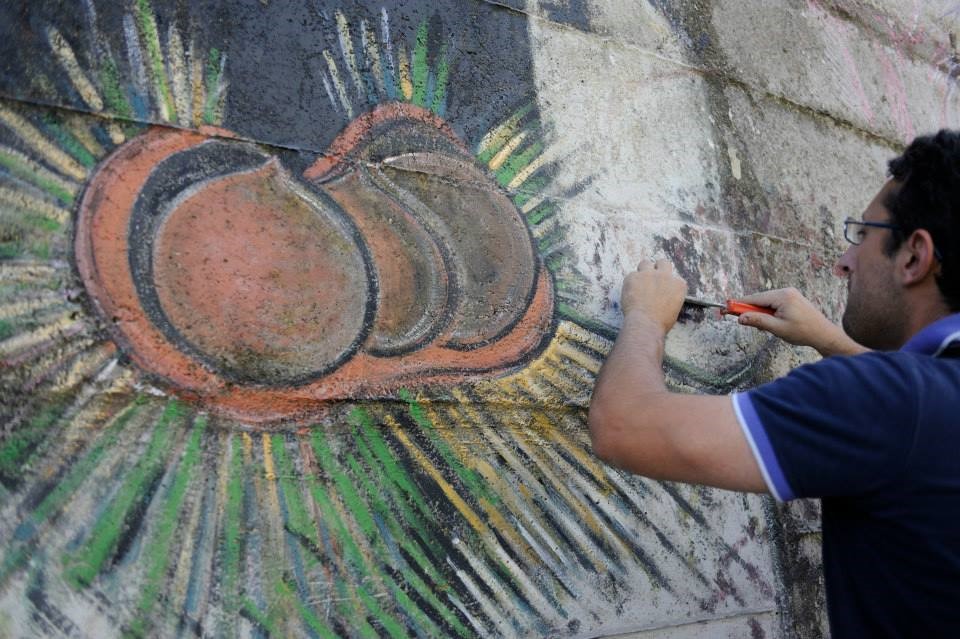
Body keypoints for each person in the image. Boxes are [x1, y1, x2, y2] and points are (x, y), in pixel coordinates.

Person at [588, 130, 960, 638]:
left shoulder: (885, 401)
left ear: (915, 256)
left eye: (862, 234)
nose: (844, 261)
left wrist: (646, 318)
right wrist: (830, 339)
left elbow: (624, 426)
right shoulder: (917, 401)